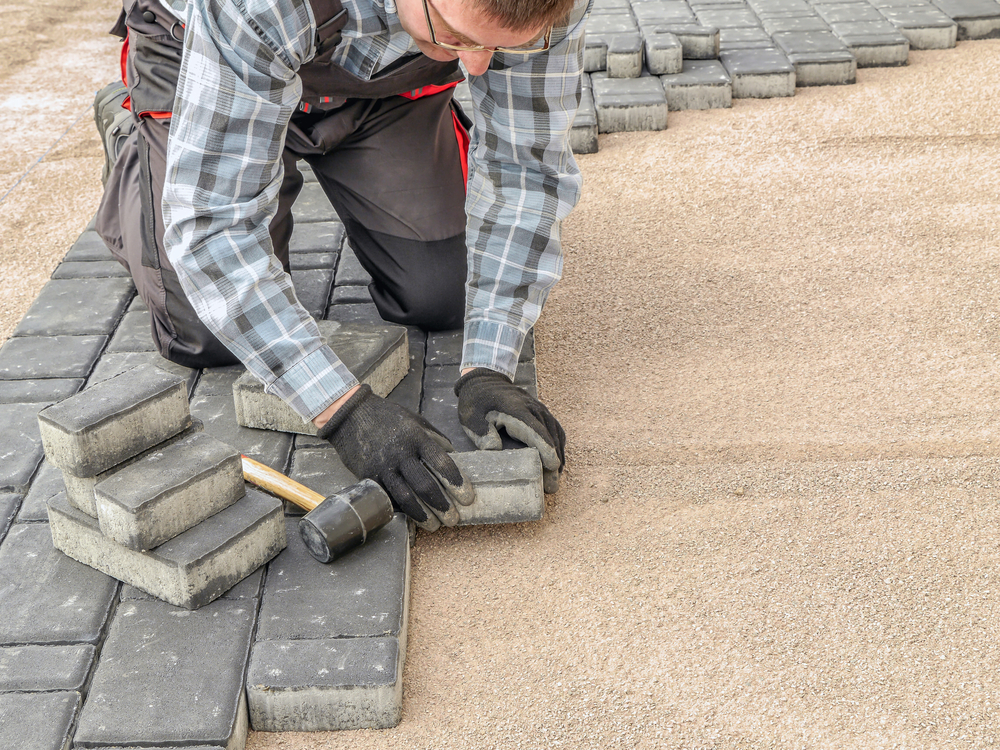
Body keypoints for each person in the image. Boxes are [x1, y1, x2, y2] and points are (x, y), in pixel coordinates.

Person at [95, 0, 587, 531]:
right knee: (202, 332)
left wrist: (489, 364)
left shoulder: (551, 7)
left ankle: (355, 141)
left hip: (381, 89)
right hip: (208, 62)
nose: (478, 69)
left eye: (502, 46)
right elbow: (213, 227)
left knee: (444, 295)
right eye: (459, 38)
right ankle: (138, 137)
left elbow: (525, 174)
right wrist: (342, 410)